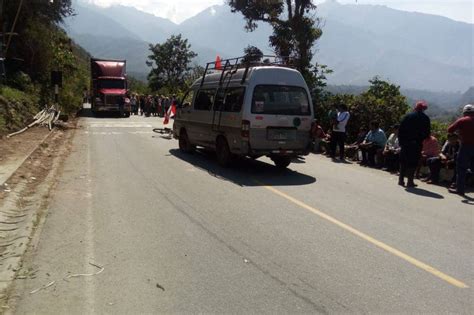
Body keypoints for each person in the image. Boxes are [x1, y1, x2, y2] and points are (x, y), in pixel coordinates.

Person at [397, 100, 431, 187]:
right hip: (416, 144)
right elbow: (427, 133)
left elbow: (400, 130)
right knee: (413, 162)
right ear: (423, 109)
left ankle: (401, 180)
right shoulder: (425, 118)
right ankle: (410, 181)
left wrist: (401, 142)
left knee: (403, 161)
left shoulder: (407, 116)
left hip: (405, 143)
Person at [447, 104, 474, 195]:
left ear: (464, 112)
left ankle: (460, 190)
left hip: (465, 146)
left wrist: (459, 133)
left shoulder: (462, 120)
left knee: (461, 168)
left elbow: (450, 130)